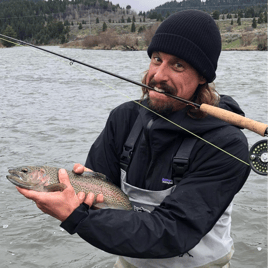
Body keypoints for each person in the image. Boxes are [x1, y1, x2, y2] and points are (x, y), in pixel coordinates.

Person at [17, 10, 251, 268]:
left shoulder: (226, 143)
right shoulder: (124, 118)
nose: (159, 75)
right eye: (156, 59)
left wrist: (76, 218)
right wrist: (77, 201)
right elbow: (97, 197)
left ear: (203, 77)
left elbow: (173, 232)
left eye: (178, 65)